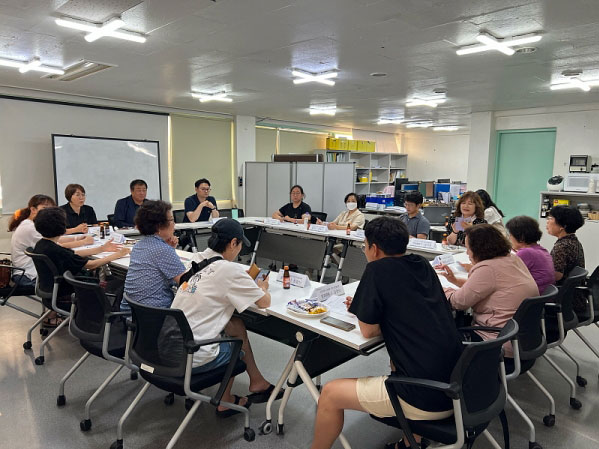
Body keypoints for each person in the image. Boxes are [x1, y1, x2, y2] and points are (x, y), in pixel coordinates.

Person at [310, 217, 463, 449]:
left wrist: (366, 308)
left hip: (426, 397)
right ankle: (411, 442)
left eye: (364, 246)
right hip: (457, 385)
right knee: (397, 361)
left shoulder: (376, 270)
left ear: (374, 249)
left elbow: (369, 330)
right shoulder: (421, 263)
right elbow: (409, 304)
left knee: (330, 394)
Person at [171, 219, 282, 415]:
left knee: (235, 324)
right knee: (235, 348)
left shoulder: (198, 259)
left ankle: (257, 381)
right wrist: (262, 287)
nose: (239, 250)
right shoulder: (230, 270)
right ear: (233, 243)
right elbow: (264, 302)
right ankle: (225, 400)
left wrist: (240, 278)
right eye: (239, 245)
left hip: (165, 347)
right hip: (190, 357)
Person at [441, 224, 538, 355]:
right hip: (522, 341)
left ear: (479, 249)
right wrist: (455, 281)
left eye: (468, 248)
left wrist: (441, 289)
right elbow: (484, 287)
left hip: (496, 343)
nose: (467, 252)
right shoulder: (512, 258)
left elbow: (457, 302)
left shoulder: (488, 268)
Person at [32, 207, 129, 316]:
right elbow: (91, 265)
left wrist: (101, 249)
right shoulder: (57, 250)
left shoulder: (42, 245)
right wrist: (117, 255)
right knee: (119, 283)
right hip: (69, 294)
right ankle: (115, 316)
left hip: (51, 291)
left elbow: (73, 254)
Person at [9, 195, 94, 287]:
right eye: (44, 208)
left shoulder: (29, 224)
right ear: (33, 209)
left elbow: (56, 240)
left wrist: (77, 238)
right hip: (29, 275)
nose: (48, 212)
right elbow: (59, 246)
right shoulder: (30, 228)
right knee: (78, 271)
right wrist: (84, 242)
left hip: (29, 271)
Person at [121, 200, 187, 311]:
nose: (174, 224)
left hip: (130, 312)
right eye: (171, 220)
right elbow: (185, 282)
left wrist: (170, 249)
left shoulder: (138, 246)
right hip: (155, 314)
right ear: (159, 226)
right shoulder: (163, 250)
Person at [545, 205, 585, 311]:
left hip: (563, 300)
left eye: (550, 218)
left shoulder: (562, 246)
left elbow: (556, 276)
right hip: (575, 297)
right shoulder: (574, 241)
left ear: (563, 226)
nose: (547, 221)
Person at [505, 215, 555, 295]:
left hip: (531, 297)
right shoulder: (541, 250)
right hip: (543, 296)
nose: (509, 238)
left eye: (511, 234)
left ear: (521, 237)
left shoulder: (525, 253)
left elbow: (507, 276)